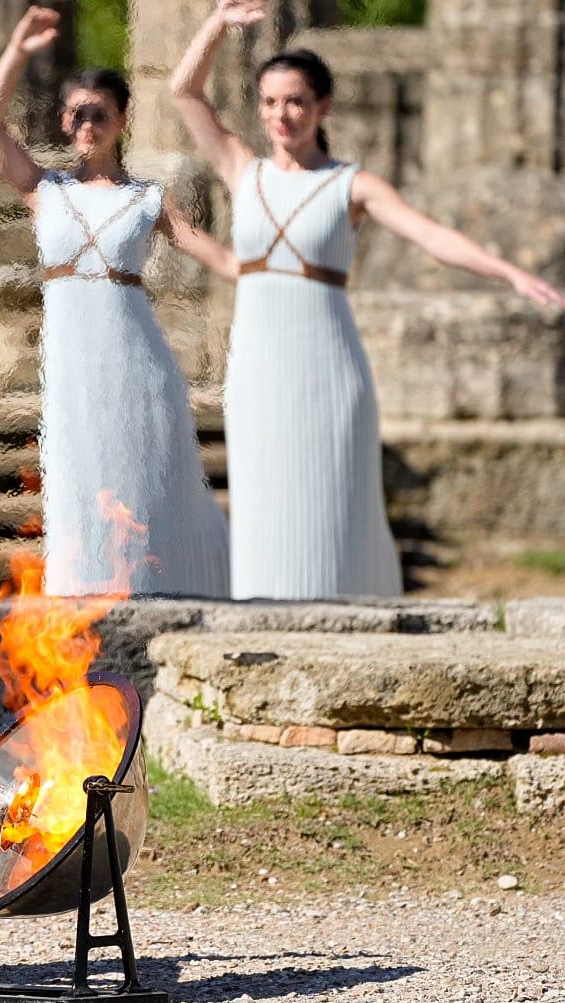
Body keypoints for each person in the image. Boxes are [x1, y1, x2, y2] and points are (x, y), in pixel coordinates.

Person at [171, 0, 565, 599]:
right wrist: (216, 27)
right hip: (256, 369)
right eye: (271, 101)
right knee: (262, 499)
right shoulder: (241, 170)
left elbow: (431, 235)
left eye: (297, 100)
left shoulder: (351, 184)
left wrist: (508, 271)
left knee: (335, 501)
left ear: (322, 107)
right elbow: (185, 93)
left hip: (329, 367)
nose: (283, 114)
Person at [0, 9, 233, 597]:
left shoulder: (148, 198)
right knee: (77, 474)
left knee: (143, 477)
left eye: (99, 113)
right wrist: (17, 47)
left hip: (137, 361)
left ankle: (158, 594)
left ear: (120, 121)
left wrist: (273, 270)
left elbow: (215, 255)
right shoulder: (44, 190)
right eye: (76, 114)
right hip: (71, 361)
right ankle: (83, 600)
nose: (87, 124)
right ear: (64, 122)